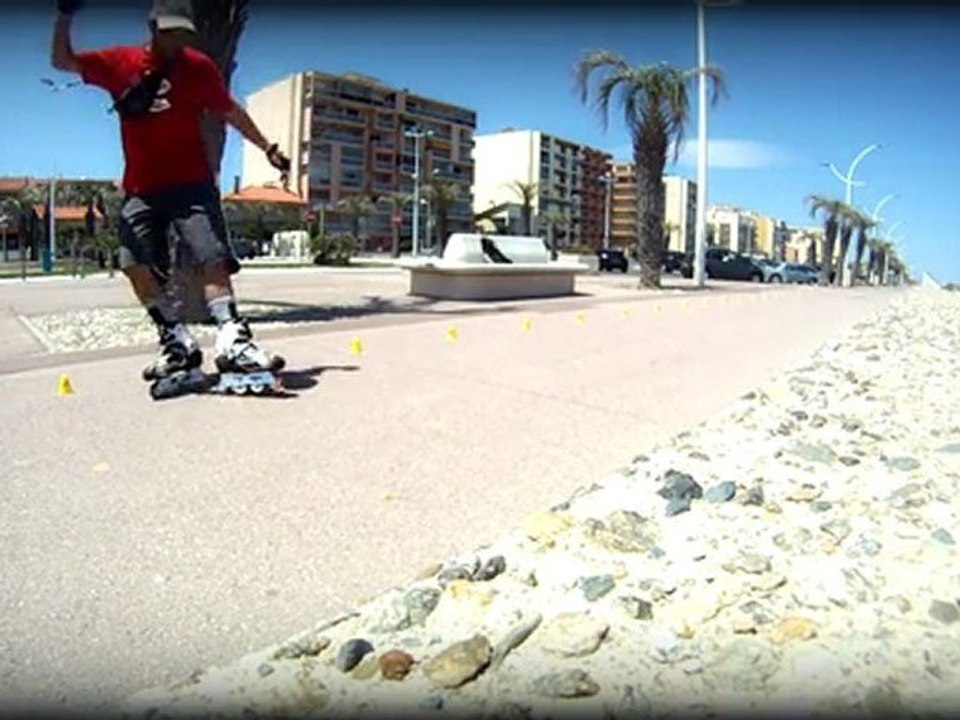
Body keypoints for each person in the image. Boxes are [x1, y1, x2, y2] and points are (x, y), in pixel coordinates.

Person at [50, 0, 291, 382]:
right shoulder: (119, 62)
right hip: (141, 190)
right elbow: (62, 61)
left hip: (191, 184)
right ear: (153, 27)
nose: (177, 40)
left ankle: (233, 341)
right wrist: (65, 15)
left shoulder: (197, 68)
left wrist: (268, 148)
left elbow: (230, 111)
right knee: (134, 264)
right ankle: (176, 342)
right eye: (170, 31)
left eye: (183, 33)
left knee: (213, 257)